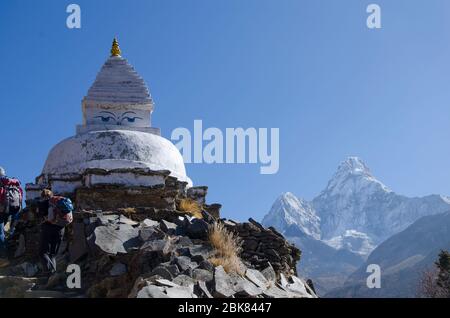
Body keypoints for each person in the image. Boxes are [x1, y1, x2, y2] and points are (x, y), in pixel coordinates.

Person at [38, 189, 74, 274]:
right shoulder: (60, 201)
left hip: (48, 227)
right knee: (53, 254)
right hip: (61, 228)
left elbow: (41, 216)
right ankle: (53, 275)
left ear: (43, 196)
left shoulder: (45, 202)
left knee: (42, 252)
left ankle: (48, 273)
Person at [0, 167, 23, 266]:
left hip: (1, 210)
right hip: (10, 211)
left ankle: (3, 258)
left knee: (0, 234)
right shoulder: (13, 183)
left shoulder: (2, 183)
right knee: (3, 233)